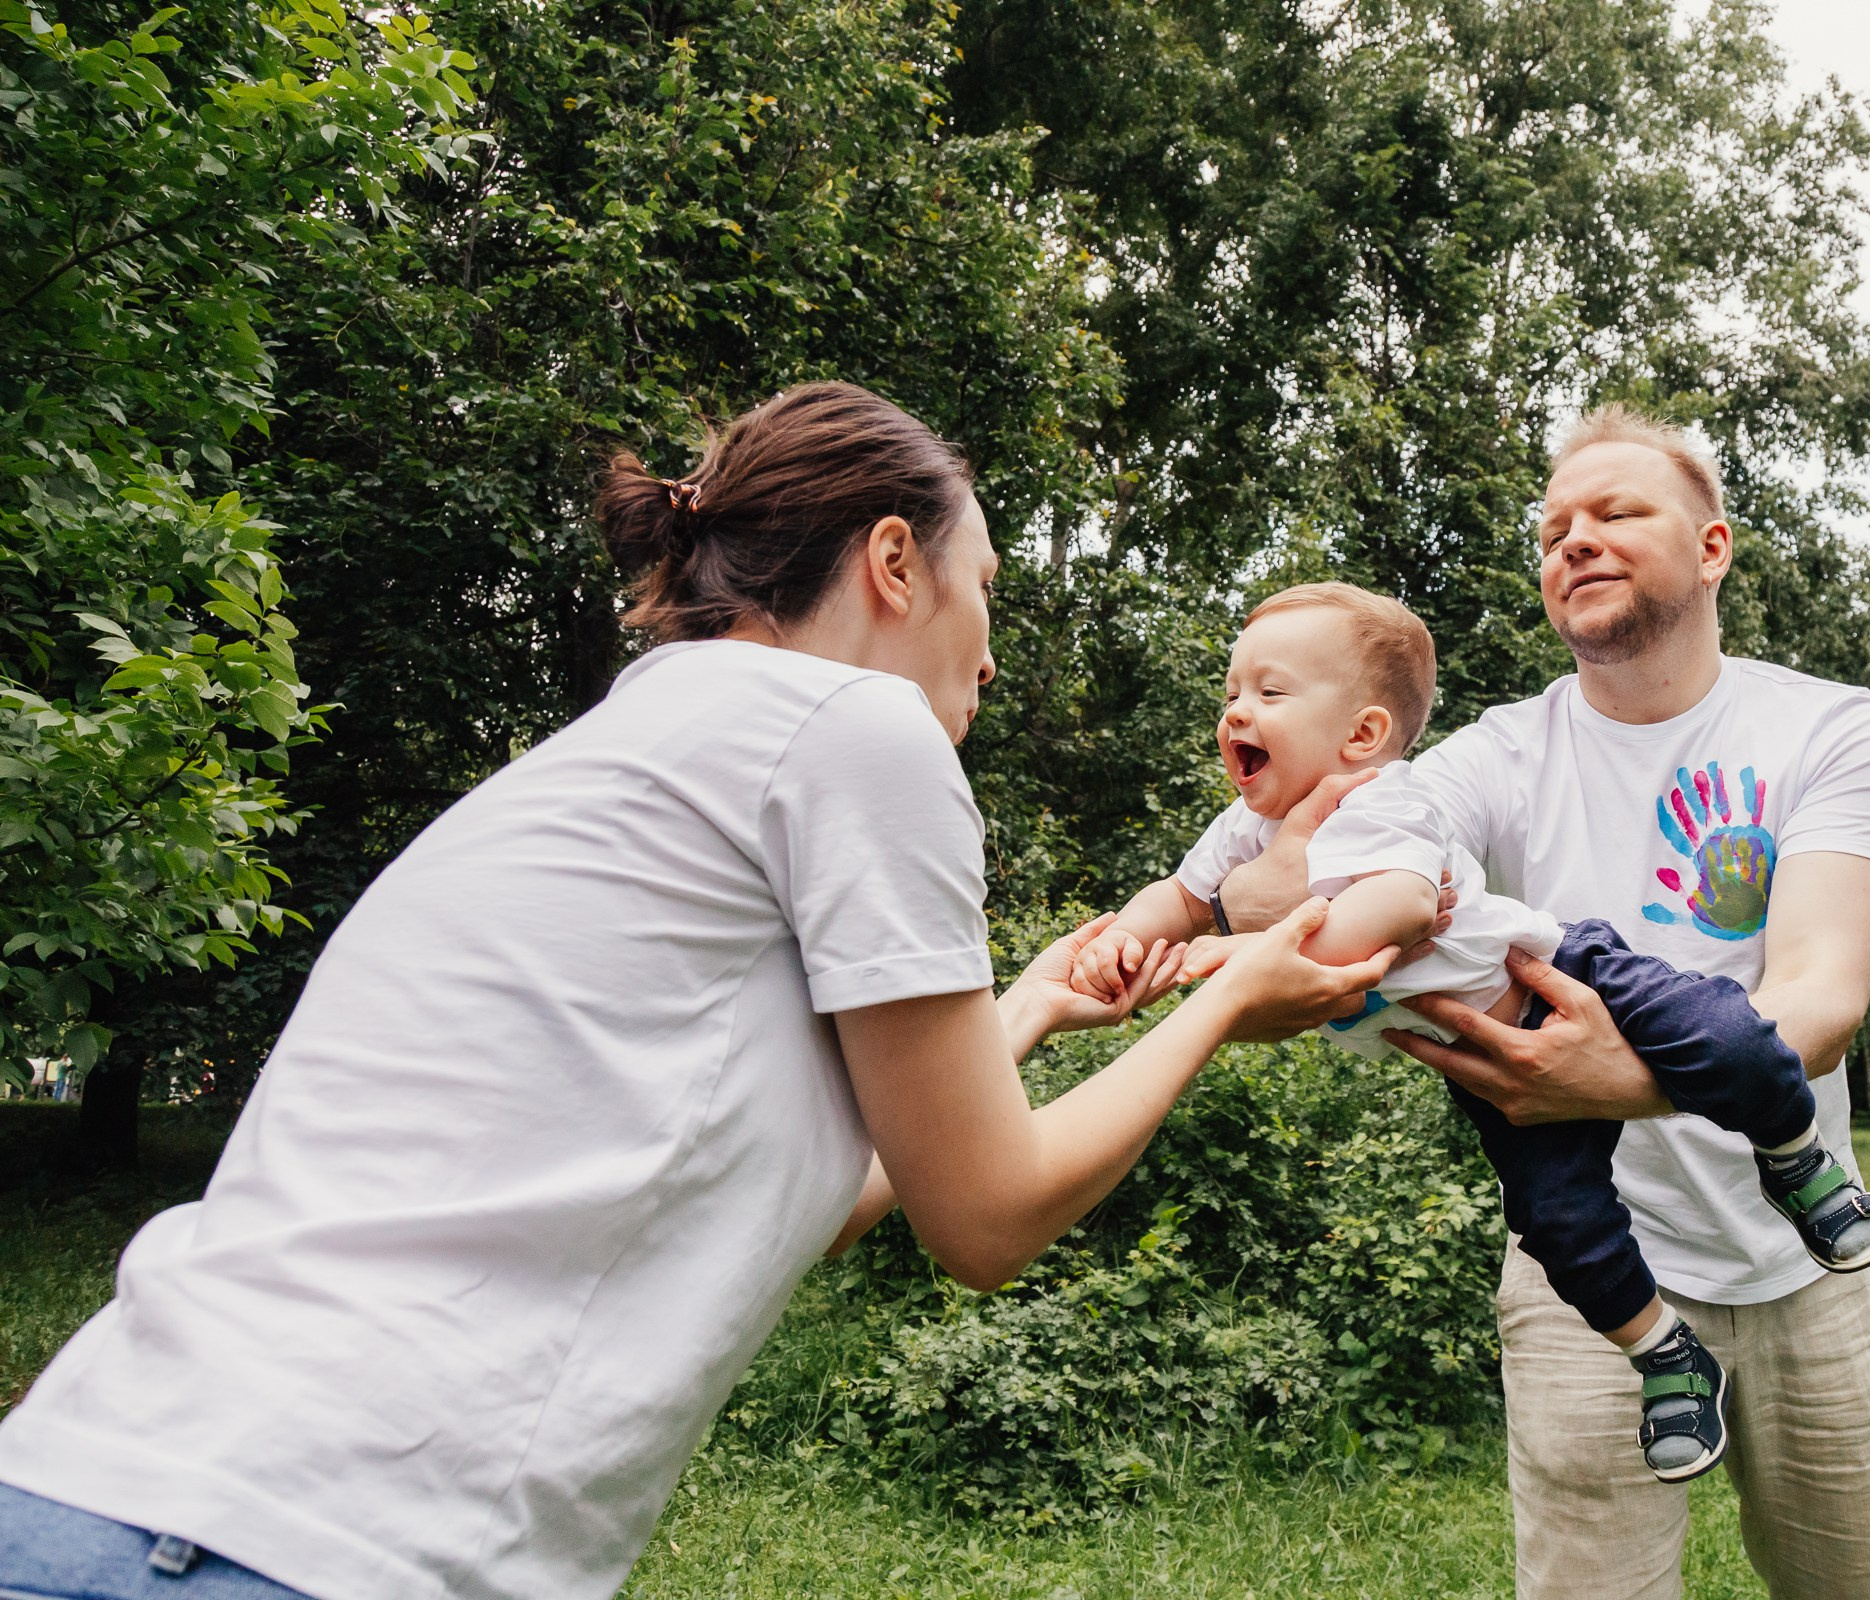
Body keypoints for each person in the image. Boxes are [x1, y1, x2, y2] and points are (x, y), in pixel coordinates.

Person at [0, 383, 1391, 1600]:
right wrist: (1229, 999)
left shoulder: (643, 742)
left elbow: (792, 1209)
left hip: (101, 1489)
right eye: (989, 597)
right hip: (302, 1543)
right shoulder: (856, 728)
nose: (988, 653)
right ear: (894, 562)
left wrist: (1020, 1007)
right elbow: (989, 1218)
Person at [1213, 408, 1870, 1598]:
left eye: (1616, 513)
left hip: (1806, 1269)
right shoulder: (1496, 755)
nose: (1575, 541)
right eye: (1553, 529)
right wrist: (1233, 900)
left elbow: (1818, 999)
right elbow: (1291, 875)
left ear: (1711, 548)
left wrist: (1610, 1083)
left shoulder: (1836, 731)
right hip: (1589, 1281)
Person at [1079, 580, 1870, 1485]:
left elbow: (1393, 912)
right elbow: (1183, 901)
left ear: (1362, 737)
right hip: (1490, 1066)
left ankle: (1793, 1157)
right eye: (1232, 692)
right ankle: (1666, 1355)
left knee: (1728, 1034)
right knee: (1557, 1223)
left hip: (1565, 975)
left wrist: (1239, 959)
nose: (1236, 709)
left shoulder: (1386, 802)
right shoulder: (1242, 832)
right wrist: (1127, 936)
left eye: (1269, 693)